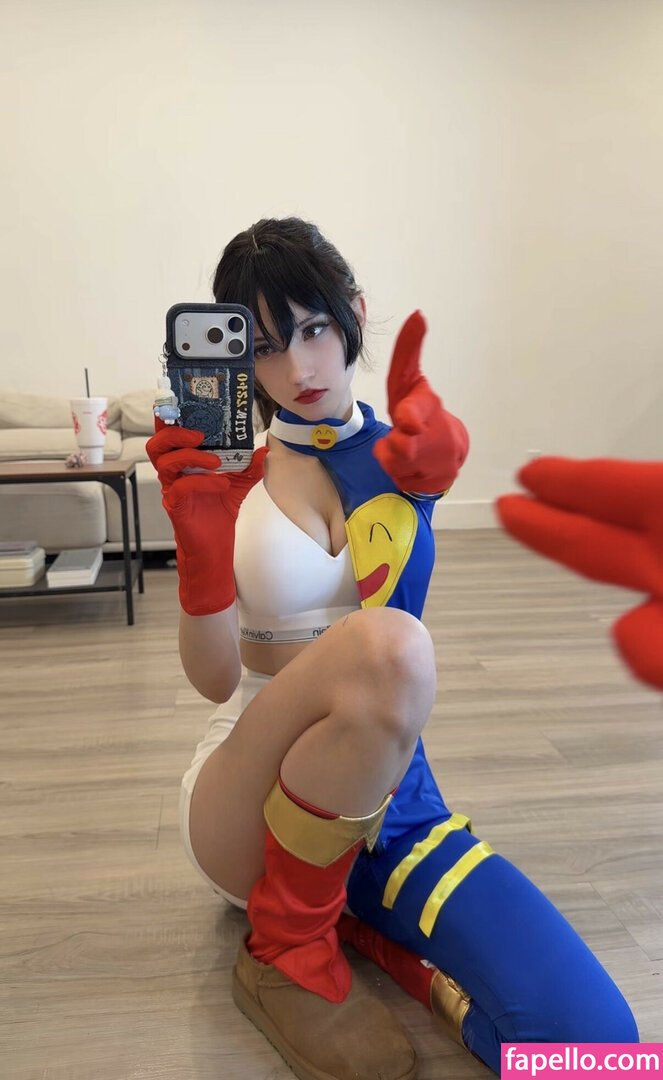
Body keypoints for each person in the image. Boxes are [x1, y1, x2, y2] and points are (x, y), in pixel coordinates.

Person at [147, 217, 638, 1080]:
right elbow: (215, 679)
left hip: (384, 792)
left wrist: (430, 476)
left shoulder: (403, 456)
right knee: (392, 646)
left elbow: (414, 475)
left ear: (353, 313)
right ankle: (284, 948)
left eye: (313, 329)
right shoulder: (230, 482)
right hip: (245, 799)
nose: (297, 369)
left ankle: (370, 937)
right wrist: (199, 552)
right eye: (263, 348)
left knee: (596, 1046)